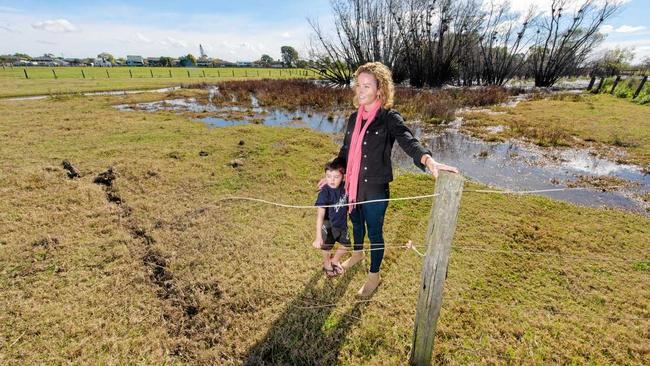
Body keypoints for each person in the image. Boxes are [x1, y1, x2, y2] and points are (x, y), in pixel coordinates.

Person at [321, 62, 459, 297]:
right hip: (352, 186)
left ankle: (374, 276)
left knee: (374, 232)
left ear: (380, 89)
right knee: (356, 222)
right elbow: (345, 152)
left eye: (367, 86)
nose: (360, 90)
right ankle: (357, 254)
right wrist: (332, 174)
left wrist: (427, 160)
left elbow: (408, 141)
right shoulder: (354, 118)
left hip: (375, 190)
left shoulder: (389, 118)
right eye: (358, 85)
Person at [312, 157, 351, 278]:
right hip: (328, 226)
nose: (332, 180)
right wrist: (318, 237)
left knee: (346, 245)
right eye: (328, 176)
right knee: (327, 247)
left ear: (343, 176)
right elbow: (320, 216)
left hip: (342, 224)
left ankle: (335, 261)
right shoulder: (324, 193)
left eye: (336, 177)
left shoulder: (345, 187)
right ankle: (327, 263)